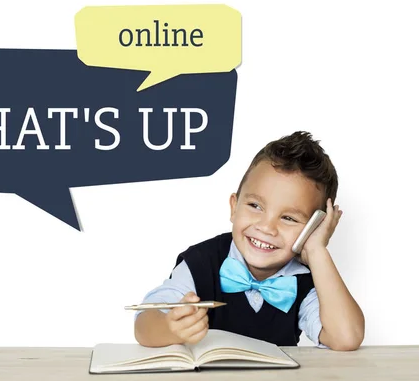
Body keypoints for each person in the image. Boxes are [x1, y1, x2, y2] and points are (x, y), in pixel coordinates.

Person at [134, 131, 365, 351]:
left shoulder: (305, 280)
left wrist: (317, 251)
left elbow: (346, 337)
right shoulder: (200, 262)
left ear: (313, 228)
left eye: (288, 218)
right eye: (255, 206)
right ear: (234, 207)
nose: (266, 227)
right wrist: (170, 328)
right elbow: (144, 324)